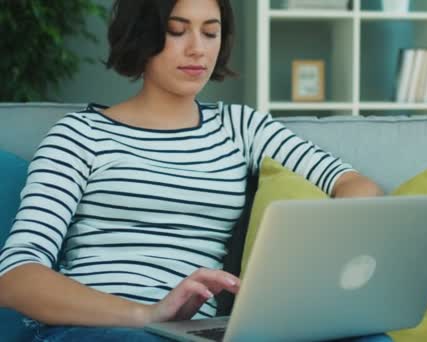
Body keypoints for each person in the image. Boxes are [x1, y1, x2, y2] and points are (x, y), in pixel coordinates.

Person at [0, 0, 388, 340]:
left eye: (210, 32)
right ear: (141, 36)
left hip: (192, 335)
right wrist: (149, 315)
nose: (197, 50)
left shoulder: (240, 127)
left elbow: (355, 185)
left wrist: (311, 255)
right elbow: (16, 277)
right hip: (95, 327)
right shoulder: (81, 134)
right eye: (176, 31)